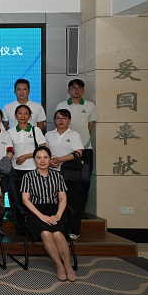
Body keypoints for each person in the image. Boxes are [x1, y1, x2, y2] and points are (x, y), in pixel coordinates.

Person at [20, 146, 76, 282]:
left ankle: (68, 265)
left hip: (55, 210)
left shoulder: (58, 176)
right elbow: (25, 200)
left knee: (57, 234)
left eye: (45, 157)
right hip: (36, 212)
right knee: (45, 233)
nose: (42, 160)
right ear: (34, 160)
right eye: (38, 158)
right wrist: (41, 216)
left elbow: (63, 199)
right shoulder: (28, 177)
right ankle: (59, 265)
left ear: (50, 159)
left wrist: (58, 215)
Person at [55, 78, 96, 215]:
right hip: (65, 151)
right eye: (73, 88)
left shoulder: (90, 106)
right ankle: (65, 211)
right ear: (68, 90)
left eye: (79, 88)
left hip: (85, 149)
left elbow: (89, 127)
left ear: (83, 90)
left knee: (84, 181)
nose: (76, 90)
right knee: (64, 182)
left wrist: (80, 144)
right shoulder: (61, 105)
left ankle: (81, 210)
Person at [45, 109, 84, 239]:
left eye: (64, 118)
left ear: (69, 120)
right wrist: (50, 162)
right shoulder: (49, 135)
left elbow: (78, 153)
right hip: (52, 173)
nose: (61, 120)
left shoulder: (74, 135)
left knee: (73, 202)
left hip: (70, 174)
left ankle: (74, 230)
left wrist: (60, 159)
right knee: (54, 202)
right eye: (58, 118)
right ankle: (57, 228)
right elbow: (44, 152)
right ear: (54, 120)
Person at [8, 104, 46, 178]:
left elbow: (43, 149)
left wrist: (26, 156)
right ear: (15, 116)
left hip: (33, 167)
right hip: (15, 167)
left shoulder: (36, 130)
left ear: (30, 116)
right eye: (20, 113)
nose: (23, 116)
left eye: (26, 113)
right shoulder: (10, 132)